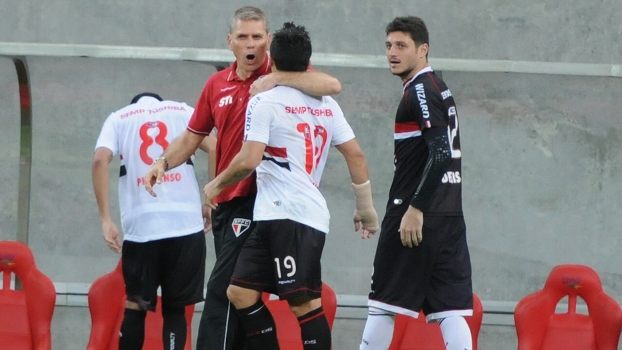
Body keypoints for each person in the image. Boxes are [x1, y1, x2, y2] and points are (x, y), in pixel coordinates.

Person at [143, 7, 342, 350]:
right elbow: (192, 136)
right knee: (242, 293)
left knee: (223, 290)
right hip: (227, 204)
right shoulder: (216, 84)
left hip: (262, 199)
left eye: (257, 37)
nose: (251, 44)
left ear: (268, 40)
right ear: (230, 42)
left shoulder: (280, 72)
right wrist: (162, 162)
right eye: (243, 37)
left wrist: (279, 78)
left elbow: (332, 84)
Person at [203, 21, 379, 350]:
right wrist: (365, 208)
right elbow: (355, 154)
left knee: (304, 303)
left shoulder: (265, 101)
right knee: (239, 293)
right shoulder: (326, 104)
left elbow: (248, 160)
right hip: (270, 215)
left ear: (272, 55)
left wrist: (214, 184)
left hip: (295, 215)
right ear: (307, 60)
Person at [358, 16, 474, 350]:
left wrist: (415, 208)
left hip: (415, 213)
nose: (392, 53)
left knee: (382, 306)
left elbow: (439, 154)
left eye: (401, 46)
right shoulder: (438, 86)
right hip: (449, 215)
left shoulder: (421, 89)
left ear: (423, 50)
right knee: (450, 310)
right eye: (388, 46)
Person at [92, 93, 211, 350]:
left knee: (136, 304)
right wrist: (212, 200)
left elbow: (100, 160)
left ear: (135, 104)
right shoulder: (181, 110)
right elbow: (216, 145)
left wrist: (106, 219)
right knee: (176, 309)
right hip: (185, 225)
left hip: (142, 228)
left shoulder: (119, 118)